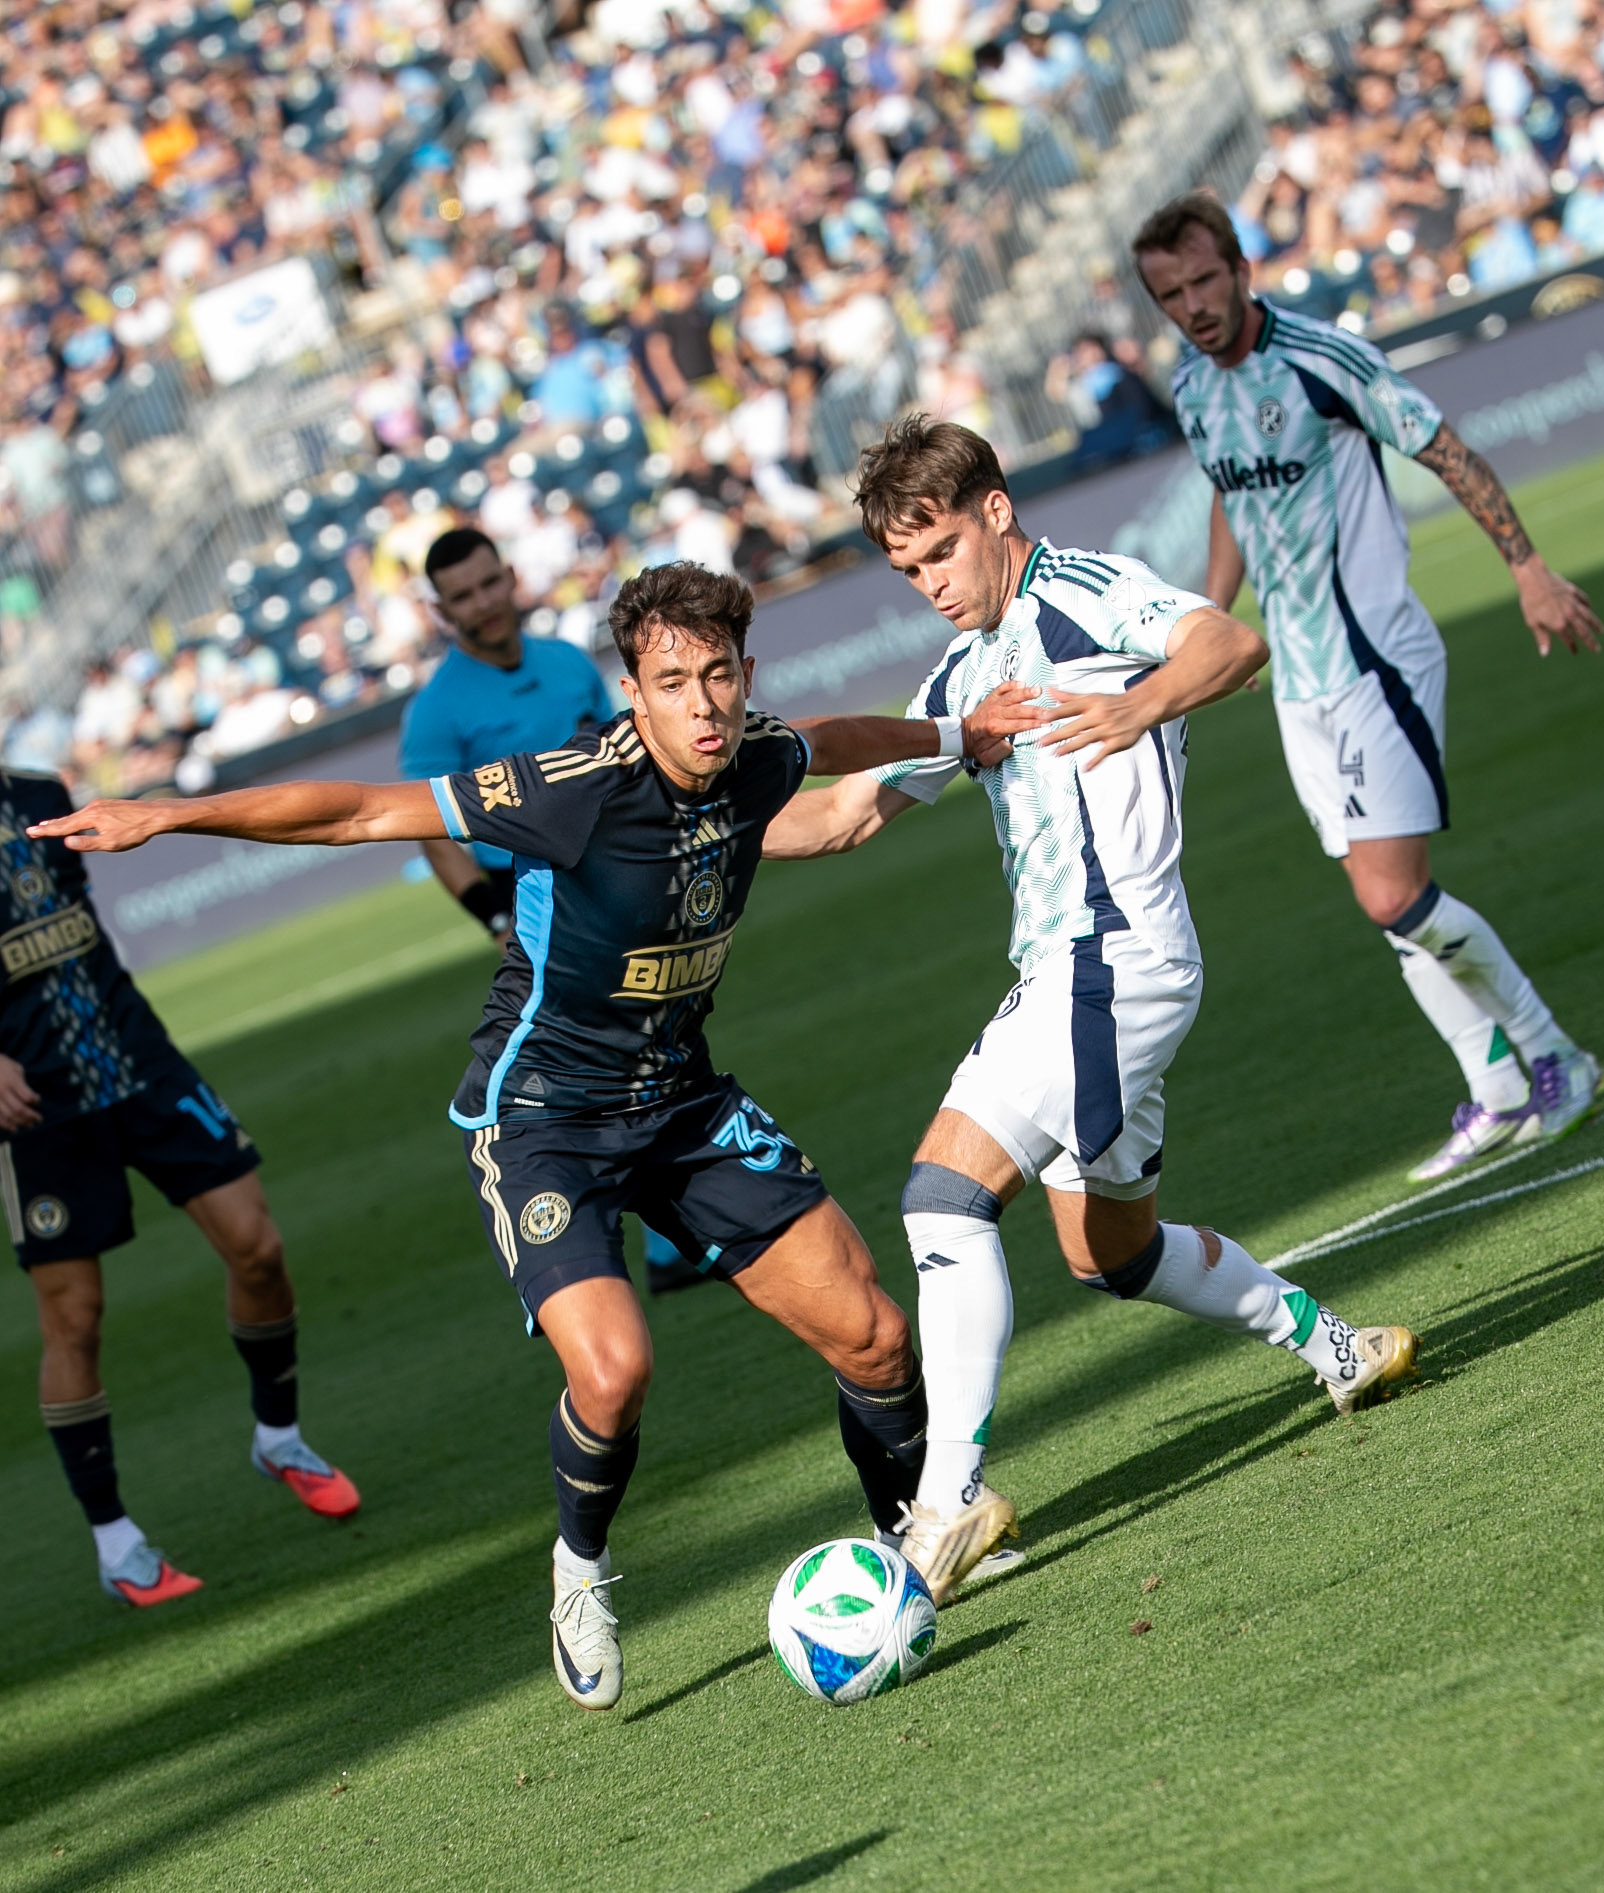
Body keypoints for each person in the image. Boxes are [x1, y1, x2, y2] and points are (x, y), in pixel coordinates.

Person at [30, 562, 1034, 1709]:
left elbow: (831, 739)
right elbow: (363, 810)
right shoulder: (571, 787)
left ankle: (914, 1533)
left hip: (683, 1103)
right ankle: (581, 1574)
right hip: (543, 1121)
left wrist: (956, 734)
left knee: (875, 1338)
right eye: (672, 683)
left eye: (719, 676)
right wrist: (168, 815)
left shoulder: (755, 750)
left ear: (745, 673)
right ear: (631, 693)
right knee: (615, 1371)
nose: (703, 705)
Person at [762, 418, 1419, 1603]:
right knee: (1110, 1252)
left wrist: (1138, 706)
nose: (931, 584)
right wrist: (688, 833)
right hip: (1085, 976)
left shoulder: (1085, 591)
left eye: (942, 552)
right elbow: (845, 815)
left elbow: (1229, 642)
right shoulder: (961, 679)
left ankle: (947, 1502)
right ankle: (1337, 1346)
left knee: (943, 1197)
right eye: (908, 569)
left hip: (1109, 961)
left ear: (996, 511)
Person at [1131, 194, 1602, 1182]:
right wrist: (1209, 623)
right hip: (1296, 683)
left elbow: (1443, 446)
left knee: (1394, 893)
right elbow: (1229, 496)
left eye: (1205, 280)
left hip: (1375, 662)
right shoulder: (1193, 385)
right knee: (1379, 903)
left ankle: (1554, 1053)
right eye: (1171, 294)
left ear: (1241, 270)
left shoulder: (1322, 358)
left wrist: (1526, 567)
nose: (1193, 306)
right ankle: (1497, 1088)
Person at [1, 768, 358, 1610]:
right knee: (74, 1318)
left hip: (141, 1064)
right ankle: (115, 1541)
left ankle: (279, 1436)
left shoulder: (40, 793)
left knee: (258, 1247)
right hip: (39, 1110)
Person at [399, 529, 693, 1293]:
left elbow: (629, 756)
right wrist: (494, 920)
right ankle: (596, 1239)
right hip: (532, 900)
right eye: (462, 596)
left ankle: (669, 1241)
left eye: (488, 584)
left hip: (617, 881)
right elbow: (434, 832)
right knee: (579, 1064)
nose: (482, 604)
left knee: (657, 1040)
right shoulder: (436, 711)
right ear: (441, 611)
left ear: (510, 577)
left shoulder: (565, 662)